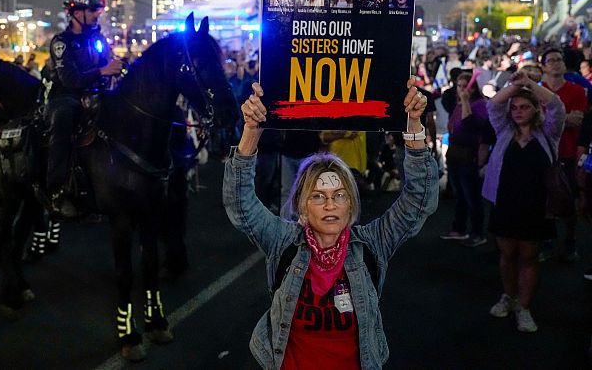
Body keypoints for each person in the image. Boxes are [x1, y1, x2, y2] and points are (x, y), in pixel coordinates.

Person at [224, 78, 437, 369]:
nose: (329, 205)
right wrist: (251, 131)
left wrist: (413, 125)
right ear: (301, 207)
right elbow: (240, 204)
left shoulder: (372, 244)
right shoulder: (283, 241)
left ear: (351, 204)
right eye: (317, 196)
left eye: (339, 195)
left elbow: (419, 201)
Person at [483, 70, 565, 333]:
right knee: (507, 254)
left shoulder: (548, 133)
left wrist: (529, 84)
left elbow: (557, 106)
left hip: (536, 205)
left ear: (535, 109)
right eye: (515, 107)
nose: (518, 111)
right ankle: (509, 296)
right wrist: (514, 86)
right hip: (505, 202)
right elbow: (493, 105)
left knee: (529, 257)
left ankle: (524, 307)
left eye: (525, 106)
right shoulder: (504, 131)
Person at [43, 0, 122, 215]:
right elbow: (69, 79)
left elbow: (109, 63)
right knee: (63, 119)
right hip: (66, 96)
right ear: (76, 13)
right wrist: (102, 70)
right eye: (92, 11)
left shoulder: (97, 38)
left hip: (96, 93)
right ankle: (57, 188)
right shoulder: (62, 42)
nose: (97, 16)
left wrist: (119, 68)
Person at [540, 48, 586, 261]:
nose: (557, 63)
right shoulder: (538, 91)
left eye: (559, 60)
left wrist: (549, 118)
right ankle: (547, 239)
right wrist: (563, 118)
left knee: (568, 199)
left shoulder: (576, 90)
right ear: (544, 66)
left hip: (567, 152)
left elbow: (577, 120)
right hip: (544, 153)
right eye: (551, 60)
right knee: (544, 200)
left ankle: (570, 240)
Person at [440, 72, 491, 246]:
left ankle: (477, 232)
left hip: (470, 154)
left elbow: (472, 124)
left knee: (472, 196)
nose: (462, 90)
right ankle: (459, 228)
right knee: (460, 195)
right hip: (456, 153)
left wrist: (466, 102)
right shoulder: (458, 104)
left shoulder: (479, 105)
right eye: (459, 86)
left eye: (465, 86)